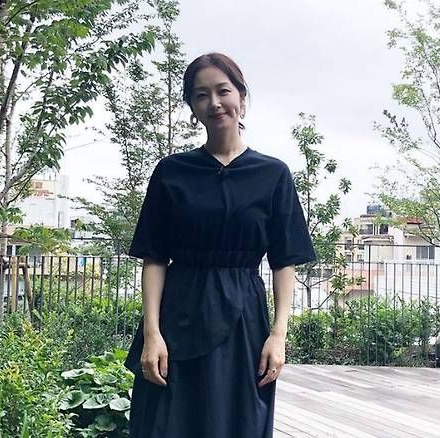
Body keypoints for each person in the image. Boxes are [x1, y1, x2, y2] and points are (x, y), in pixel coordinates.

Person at [123, 52, 316, 437]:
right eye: (201, 95)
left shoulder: (273, 174)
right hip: (177, 315)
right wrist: (152, 333)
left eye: (223, 91)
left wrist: (278, 334)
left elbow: (284, 261)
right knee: (163, 422)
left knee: (237, 422)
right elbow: (154, 258)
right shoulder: (172, 171)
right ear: (192, 106)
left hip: (244, 321)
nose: (214, 102)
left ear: (241, 97)